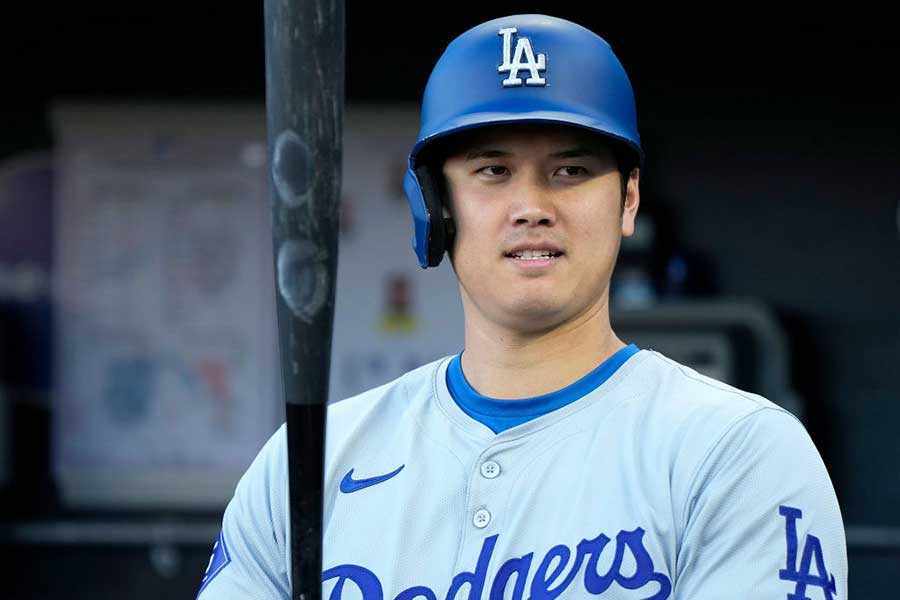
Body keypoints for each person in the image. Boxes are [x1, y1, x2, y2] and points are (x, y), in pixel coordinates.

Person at [196, 14, 847, 599]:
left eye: (570, 171)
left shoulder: (736, 454)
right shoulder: (310, 463)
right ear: (435, 206)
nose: (532, 206)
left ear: (627, 201)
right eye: (493, 170)